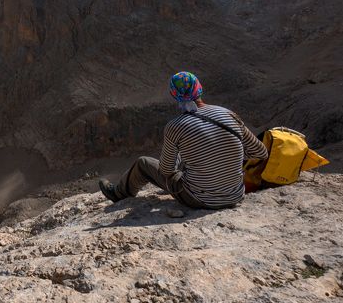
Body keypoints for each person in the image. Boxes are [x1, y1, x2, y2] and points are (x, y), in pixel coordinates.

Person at [98, 71, 268, 209]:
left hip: (198, 200)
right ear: (199, 89)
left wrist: (183, 156)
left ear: (174, 95)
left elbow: (166, 171)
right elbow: (260, 152)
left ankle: (118, 193)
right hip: (236, 196)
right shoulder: (228, 114)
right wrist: (226, 154)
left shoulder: (175, 126)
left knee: (143, 163)